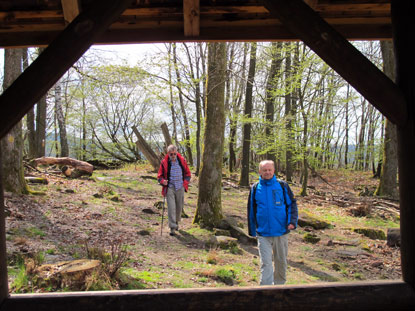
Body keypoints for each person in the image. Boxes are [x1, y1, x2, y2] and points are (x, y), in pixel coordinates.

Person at [247, 160, 298, 285]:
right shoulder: (255, 188)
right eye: (264, 170)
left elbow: (292, 204)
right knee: (266, 263)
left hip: (281, 231)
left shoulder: (282, 186)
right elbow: (251, 210)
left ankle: (279, 287)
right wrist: (252, 229)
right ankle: (265, 289)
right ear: (260, 171)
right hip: (263, 233)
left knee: (280, 261)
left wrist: (292, 221)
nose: (267, 172)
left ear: (274, 170)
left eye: (270, 170)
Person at [157, 145, 191, 236]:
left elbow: (188, 174)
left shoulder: (182, 161)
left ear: (177, 153)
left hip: (180, 187)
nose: (173, 155)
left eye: (174, 154)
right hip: (170, 188)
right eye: (171, 154)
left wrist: (185, 184)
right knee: (171, 207)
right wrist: (163, 181)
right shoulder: (164, 162)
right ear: (168, 153)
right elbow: (159, 177)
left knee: (179, 207)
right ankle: (172, 227)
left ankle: (176, 222)